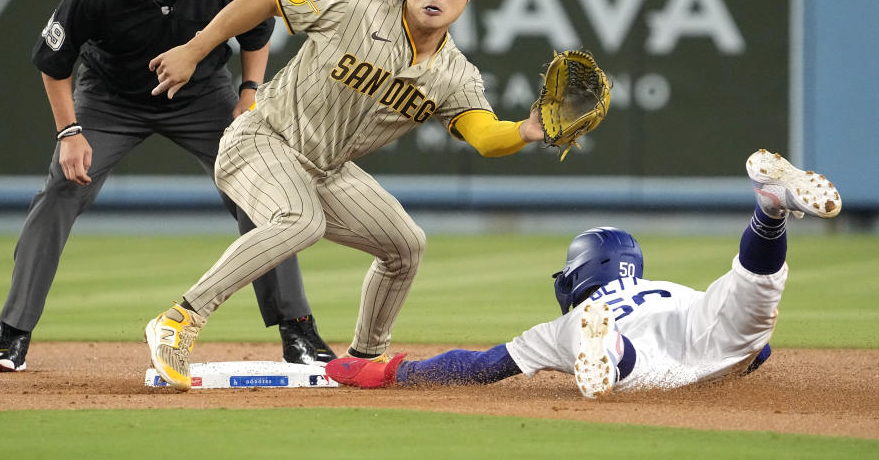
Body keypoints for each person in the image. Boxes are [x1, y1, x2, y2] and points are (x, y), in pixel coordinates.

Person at [144, 0, 550, 390]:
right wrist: (195, 50)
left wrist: (525, 131)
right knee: (301, 221)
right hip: (262, 138)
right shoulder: (354, 2)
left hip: (327, 169)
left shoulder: (456, 75)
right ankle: (180, 319)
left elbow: (484, 135)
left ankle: (365, 358)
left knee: (405, 246)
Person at [0, 0, 332, 373]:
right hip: (112, 99)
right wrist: (69, 133)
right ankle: (11, 335)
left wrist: (249, 93)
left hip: (203, 95)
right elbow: (53, 60)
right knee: (61, 191)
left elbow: (257, 30)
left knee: (264, 196)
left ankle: (298, 330)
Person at [324, 149, 843, 397]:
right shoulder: (666, 288)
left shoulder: (564, 320)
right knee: (750, 289)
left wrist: (393, 371)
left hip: (650, 363)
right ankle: (770, 212)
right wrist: (742, 354)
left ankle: (611, 353)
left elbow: (480, 366)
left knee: (599, 345)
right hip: (713, 335)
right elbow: (764, 350)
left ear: (578, 273)